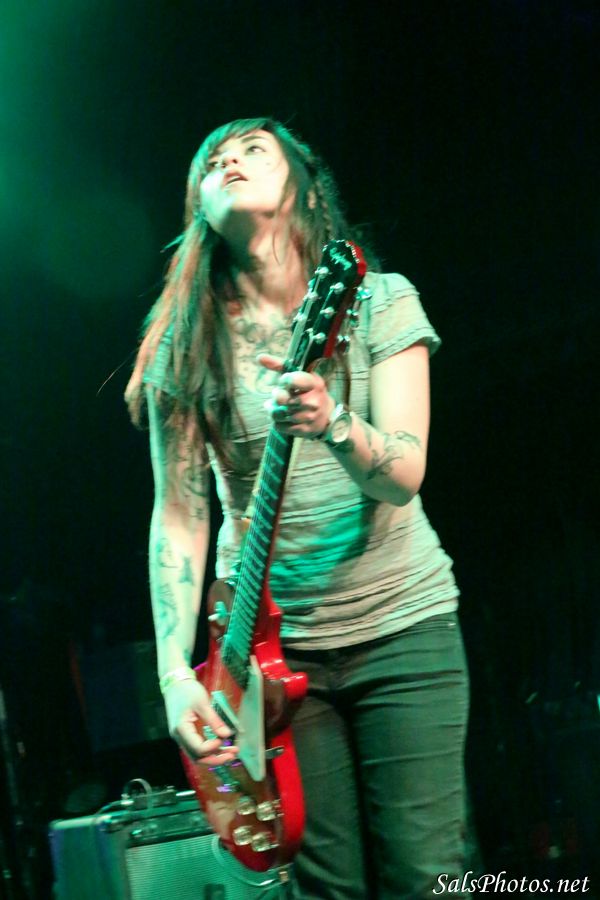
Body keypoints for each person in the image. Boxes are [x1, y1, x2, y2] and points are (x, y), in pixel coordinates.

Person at [126, 117, 469, 899]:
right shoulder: (186, 344)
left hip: (401, 627)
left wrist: (334, 423)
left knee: (427, 876)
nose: (229, 161)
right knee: (324, 888)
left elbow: (404, 474)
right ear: (199, 209)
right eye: (213, 160)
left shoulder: (379, 302)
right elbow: (179, 513)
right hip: (264, 662)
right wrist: (174, 673)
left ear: (308, 190)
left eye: (253, 149)